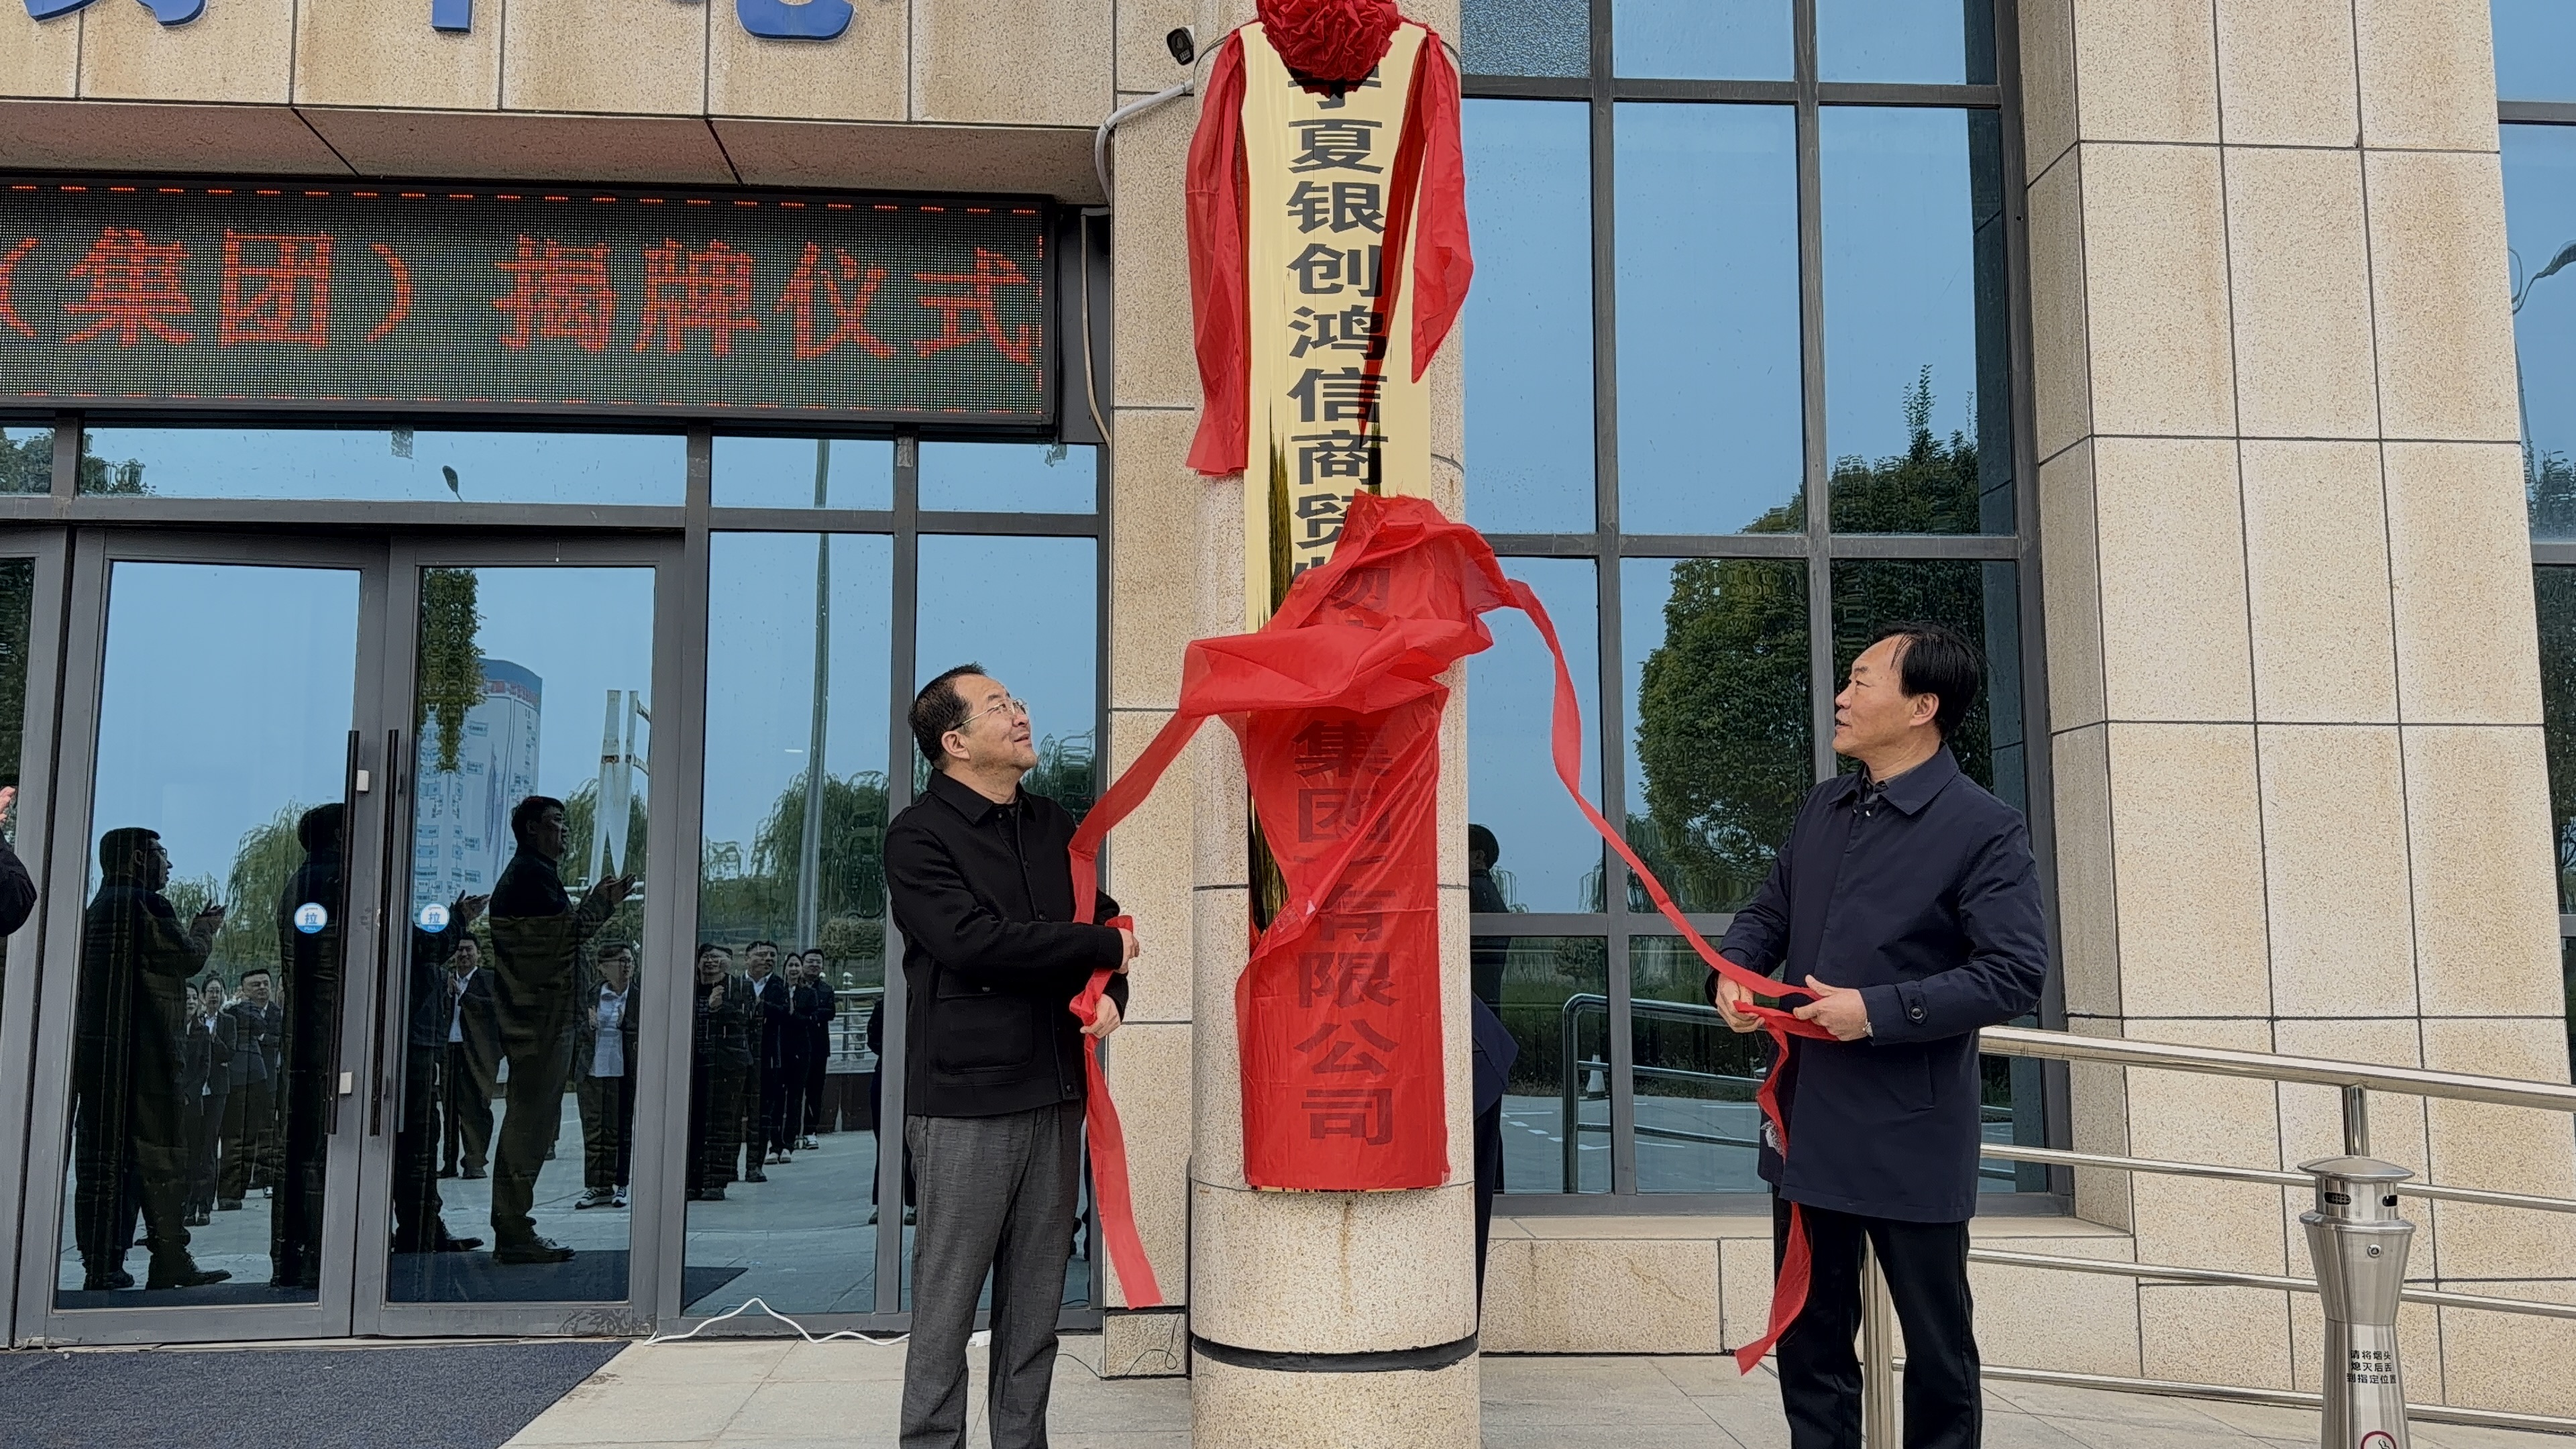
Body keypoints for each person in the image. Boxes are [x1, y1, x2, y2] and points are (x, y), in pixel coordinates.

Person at [1709, 622, 2048, 1449]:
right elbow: (1768, 910)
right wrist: (1735, 970)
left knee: (1938, 1352)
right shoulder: (1825, 807)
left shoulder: (1983, 826)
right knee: (1812, 1341)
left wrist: (1878, 1012)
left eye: (1862, 681)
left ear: (1923, 707)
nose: (1841, 697)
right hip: (1808, 1122)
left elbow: (2014, 973)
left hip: (1910, 1130)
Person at [887, 664, 1135, 1449]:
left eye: (1017, 701)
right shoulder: (918, 836)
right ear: (955, 743)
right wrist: (1102, 948)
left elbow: (1101, 924)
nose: (1020, 714)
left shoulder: (1052, 823)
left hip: (1055, 1093)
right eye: (998, 706)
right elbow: (974, 943)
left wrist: (1113, 991)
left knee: (1035, 1316)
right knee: (946, 1313)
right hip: (967, 1103)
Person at [70, 825, 228, 1291]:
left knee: (103, 1162)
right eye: (161, 854)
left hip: (100, 1057)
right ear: (139, 859)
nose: (168, 864)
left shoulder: (94, 910)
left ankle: (102, 1264)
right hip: (148, 1056)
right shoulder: (146, 905)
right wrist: (204, 930)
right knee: (160, 1158)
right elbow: (186, 959)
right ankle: (170, 1256)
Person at [484, 795, 633, 1265]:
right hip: (539, 1021)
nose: (564, 831)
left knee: (532, 1122)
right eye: (554, 822)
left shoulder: (535, 874)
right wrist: (601, 904)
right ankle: (513, 1228)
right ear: (531, 829)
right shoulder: (529, 877)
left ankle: (514, 1224)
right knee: (529, 1124)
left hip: (542, 1019)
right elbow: (563, 938)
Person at [272, 804, 350, 1290]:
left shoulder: (298, 884)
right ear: (342, 834)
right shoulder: (341, 881)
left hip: (305, 1034)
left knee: (301, 1146)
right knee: (324, 1146)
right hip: (335, 1034)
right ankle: (322, 1253)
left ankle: (294, 1256)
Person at [392, 894, 488, 1256]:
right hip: (409, 1047)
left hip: (418, 1045)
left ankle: (423, 1227)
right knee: (417, 1142)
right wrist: (458, 918)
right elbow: (429, 946)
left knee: (422, 1140)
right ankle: (420, 1230)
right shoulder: (395, 927)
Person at [1465, 824, 1515, 1299]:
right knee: (1486, 1133)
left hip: (1474, 1034)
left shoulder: (1476, 895)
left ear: (1477, 857)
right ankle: (1494, 1190)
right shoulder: (1490, 895)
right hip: (1486, 1035)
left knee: (1480, 1134)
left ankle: (1492, 1191)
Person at [574, 941, 641, 1210]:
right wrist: (588, 1026)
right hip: (593, 1070)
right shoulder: (590, 996)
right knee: (594, 1130)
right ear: (603, 968)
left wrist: (628, 1023)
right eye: (621, 961)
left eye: (629, 961)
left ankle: (621, 1183)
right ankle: (597, 1185)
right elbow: (574, 1030)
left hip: (625, 1070)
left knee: (620, 1129)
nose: (627, 966)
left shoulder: (639, 996)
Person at [686, 943, 750, 1201]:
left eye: (716, 957)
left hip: (727, 1067)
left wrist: (718, 1008)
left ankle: (716, 1182)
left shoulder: (739, 987)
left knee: (722, 1125)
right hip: (693, 1066)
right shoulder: (688, 988)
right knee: (693, 1125)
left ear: (728, 962)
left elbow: (746, 1019)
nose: (710, 962)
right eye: (705, 957)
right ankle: (692, 1181)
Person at [219, 965, 282, 1210]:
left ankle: (267, 1179)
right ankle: (234, 1188)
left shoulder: (277, 1013)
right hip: (242, 1079)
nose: (262, 988)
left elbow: (275, 1037)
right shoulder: (234, 1011)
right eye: (256, 985)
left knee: (265, 1134)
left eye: (266, 984)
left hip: (269, 1080)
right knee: (237, 1134)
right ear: (243, 990)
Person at [440, 936, 498, 1180]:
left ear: (478, 953)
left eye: (468, 950)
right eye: (459, 950)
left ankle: (475, 1161)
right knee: (449, 1108)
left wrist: (463, 995)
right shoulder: (445, 979)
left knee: (476, 1107)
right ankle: (449, 1162)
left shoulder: (489, 979)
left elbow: (494, 1008)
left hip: (477, 1053)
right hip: (449, 1050)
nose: (463, 954)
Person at [183, 978, 234, 1227]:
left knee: (209, 1149)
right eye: (211, 991)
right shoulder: (196, 1023)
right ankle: (188, 1205)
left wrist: (214, 1039)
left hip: (216, 1091)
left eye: (218, 991)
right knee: (192, 1148)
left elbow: (229, 1054)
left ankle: (205, 1206)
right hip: (195, 1093)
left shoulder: (228, 1022)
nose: (214, 995)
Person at [743, 940, 792, 1173]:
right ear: (747, 958)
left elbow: (784, 1013)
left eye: (772, 956)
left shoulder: (779, 986)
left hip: (768, 1059)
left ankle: (755, 1165)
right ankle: (728, 1167)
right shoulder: (735, 984)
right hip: (738, 1057)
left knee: (762, 1114)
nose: (768, 959)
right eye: (762, 955)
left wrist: (760, 1005)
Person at [790, 948, 837, 1148]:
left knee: (815, 1090)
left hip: (819, 1047)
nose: (814, 965)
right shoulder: (793, 987)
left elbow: (830, 1013)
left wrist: (809, 1015)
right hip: (796, 1046)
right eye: (810, 961)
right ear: (803, 963)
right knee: (793, 1091)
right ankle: (792, 1133)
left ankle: (811, 1131)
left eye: (818, 962)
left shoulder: (826, 989)